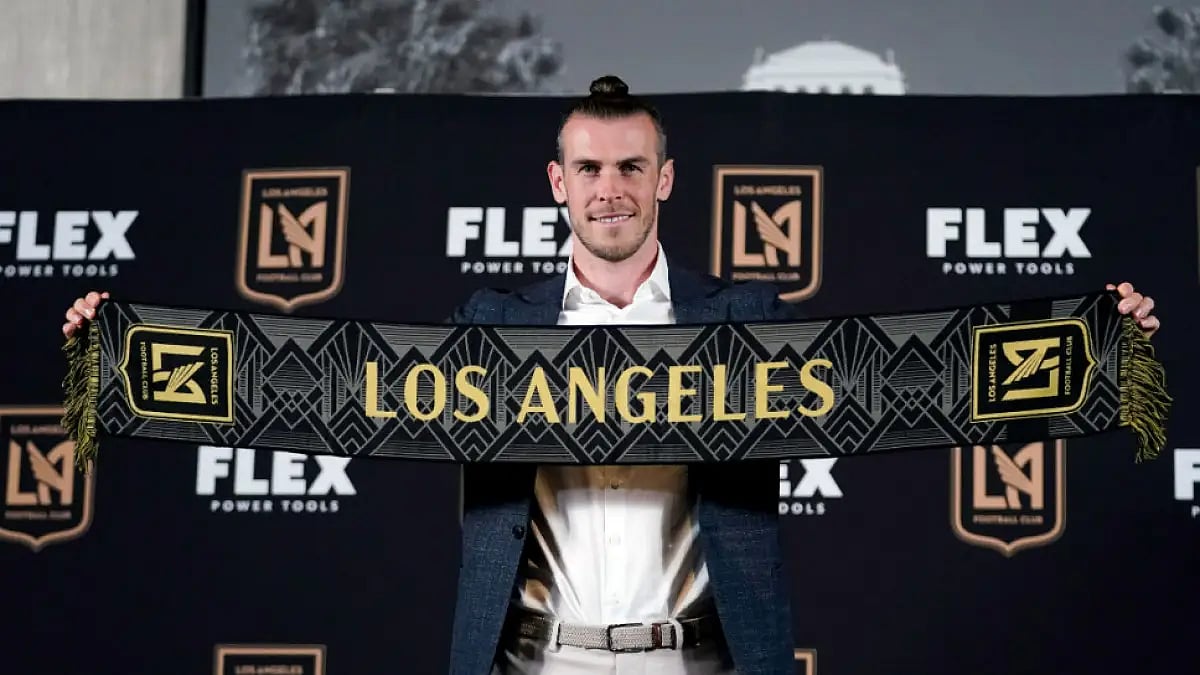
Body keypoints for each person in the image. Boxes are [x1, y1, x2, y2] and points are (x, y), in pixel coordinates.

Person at [62, 75, 1164, 675]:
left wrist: (1097, 343)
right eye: (588, 167)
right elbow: (320, 385)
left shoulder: (746, 324)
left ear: (665, 178)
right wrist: (116, 349)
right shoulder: (487, 331)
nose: (610, 188)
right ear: (557, 180)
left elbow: (899, 384)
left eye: (631, 166)